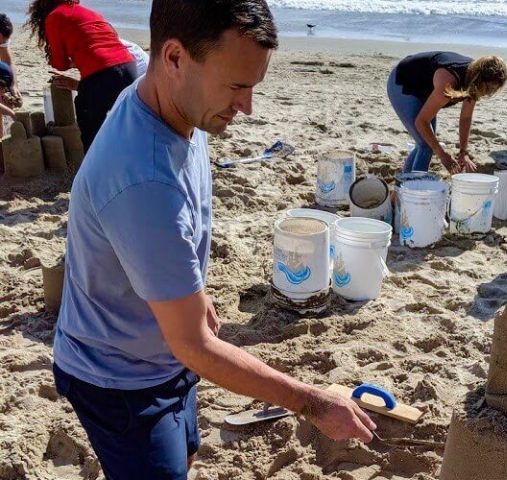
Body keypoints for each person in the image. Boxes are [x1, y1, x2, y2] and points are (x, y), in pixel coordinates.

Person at [52, 0, 375, 477]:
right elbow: (196, 346)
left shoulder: (166, 96)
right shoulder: (145, 180)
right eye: (237, 86)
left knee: (185, 455)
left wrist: (192, 293)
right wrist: (311, 402)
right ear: (176, 58)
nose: (246, 106)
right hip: (118, 376)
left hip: (164, 349)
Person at [27, 0, 138, 151]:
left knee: (91, 134)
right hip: (130, 69)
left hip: (102, 73)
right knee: (127, 129)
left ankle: (95, 173)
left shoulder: (54, 16)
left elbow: (59, 63)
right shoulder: (91, 12)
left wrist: (72, 60)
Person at [387, 52, 507, 174]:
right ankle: (415, 189)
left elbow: (465, 118)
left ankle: (400, 190)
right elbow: (421, 122)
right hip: (403, 79)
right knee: (426, 145)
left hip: (424, 88)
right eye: (488, 88)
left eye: (493, 91)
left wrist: (463, 152)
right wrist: (443, 155)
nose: (487, 93)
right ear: (479, 78)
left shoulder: (473, 81)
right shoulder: (449, 82)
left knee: (424, 144)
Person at [0, 13, 21, 137]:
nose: (3, 44)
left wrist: (13, 86)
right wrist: (11, 113)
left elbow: (8, 62)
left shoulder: (2, 36)